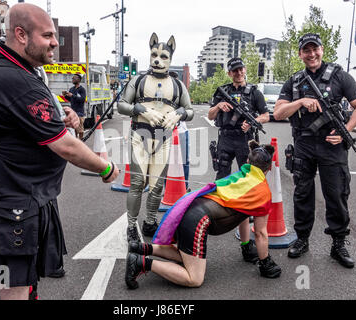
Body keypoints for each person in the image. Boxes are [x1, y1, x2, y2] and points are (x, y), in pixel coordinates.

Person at [0, 3, 119, 300]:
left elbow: (30, 122)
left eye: (55, 35)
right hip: (13, 204)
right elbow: (65, 147)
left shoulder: (14, 69)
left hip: (21, 196)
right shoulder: (15, 79)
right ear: (21, 34)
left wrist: (66, 118)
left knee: (25, 280)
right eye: (47, 35)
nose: (55, 42)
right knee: (13, 289)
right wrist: (105, 168)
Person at [125, 140, 281, 289]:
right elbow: (260, 233)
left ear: (248, 160)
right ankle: (141, 263)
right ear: (269, 168)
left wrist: (246, 246)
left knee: (183, 255)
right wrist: (265, 261)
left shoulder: (242, 175)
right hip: (197, 221)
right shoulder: (262, 191)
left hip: (187, 210)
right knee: (194, 278)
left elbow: (244, 215)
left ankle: (142, 248)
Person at [274, 33, 356, 268]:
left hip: (332, 146)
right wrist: (300, 102)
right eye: (307, 50)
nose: (311, 54)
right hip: (304, 145)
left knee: (336, 195)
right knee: (302, 193)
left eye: (315, 49)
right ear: (300, 54)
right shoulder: (294, 81)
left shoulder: (339, 76)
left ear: (322, 50)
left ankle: (338, 244)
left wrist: (345, 130)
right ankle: (302, 239)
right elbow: (278, 113)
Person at [117, 33, 193, 242]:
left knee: (158, 185)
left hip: (163, 138)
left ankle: (150, 221)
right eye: (154, 55)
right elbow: (122, 105)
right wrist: (140, 109)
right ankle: (131, 225)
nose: (158, 60)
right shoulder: (138, 80)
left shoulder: (178, 85)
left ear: (171, 57)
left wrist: (179, 114)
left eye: (164, 56)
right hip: (139, 136)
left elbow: (190, 110)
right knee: (138, 182)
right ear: (150, 54)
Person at [207, 57, 269, 263]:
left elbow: (266, 115)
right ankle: (216, 213)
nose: (238, 73)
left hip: (246, 140)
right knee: (221, 176)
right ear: (229, 73)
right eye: (234, 70)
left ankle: (246, 216)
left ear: (245, 70)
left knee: (248, 180)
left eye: (241, 69)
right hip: (225, 138)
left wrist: (253, 123)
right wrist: (220, 105)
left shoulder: (254, 92)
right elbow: (210, 114)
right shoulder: (221, 90)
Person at [63, 74, 86, 139]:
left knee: (80, 129)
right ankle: (76, 140)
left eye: (74, 78)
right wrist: (66, 96)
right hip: (73, 112)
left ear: (78, 80)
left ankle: (81, 141)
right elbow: (71, 100)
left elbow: (82, 99)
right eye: (72, 78)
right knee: (74, 128)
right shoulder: (71, 89)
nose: (72, 79)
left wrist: (72, 95)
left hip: (79, 112)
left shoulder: (82, 89)